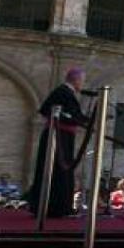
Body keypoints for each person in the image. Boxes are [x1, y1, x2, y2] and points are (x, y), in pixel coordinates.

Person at [26, 68, 89, 218]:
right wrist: (82, 119)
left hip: (62, 136)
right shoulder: (63, 92)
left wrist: (85, 119)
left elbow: (73, 114)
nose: (83, 83)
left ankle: (57, 206)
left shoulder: (66, 93)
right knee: (57, 170)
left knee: (61, 170)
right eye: (82, 80)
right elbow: (47, 110)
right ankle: (56, 208)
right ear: (76, 80)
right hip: (58, 136)